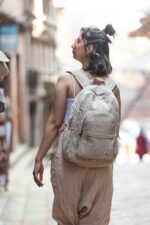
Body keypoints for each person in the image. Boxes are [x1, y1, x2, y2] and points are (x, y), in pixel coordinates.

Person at [33, 24, 121, 225]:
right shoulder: (113, 87)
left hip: (69, 159)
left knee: (67, 219)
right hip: (101, 163)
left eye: (78, 41)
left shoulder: (67, 80)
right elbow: (114, 129)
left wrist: (39, 159)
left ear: (89, 49)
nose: (73, 44)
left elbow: (55, 123)